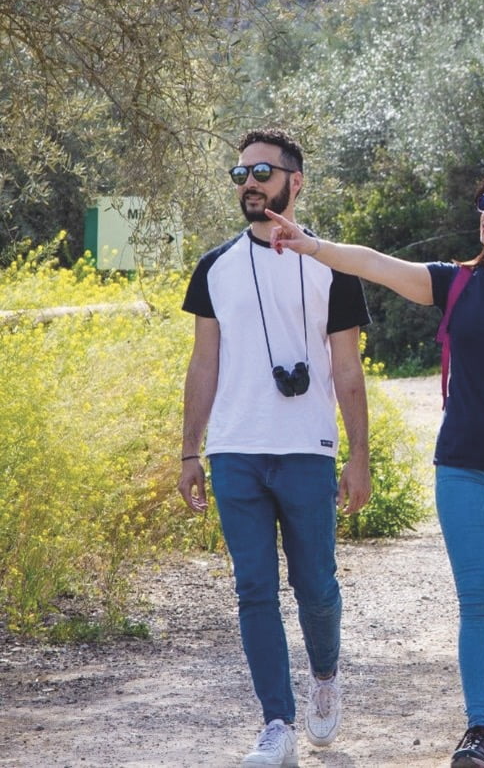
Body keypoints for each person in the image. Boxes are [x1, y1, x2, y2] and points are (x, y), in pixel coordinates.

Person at [266, 165, 484, 768]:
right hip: (464, 469)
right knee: (478, 597)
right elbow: (375, 263)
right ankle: (480, 727)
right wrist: (311, 244)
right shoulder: (454, 283)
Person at [178, 128, 372, 768]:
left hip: (307, 448)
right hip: (235, 449)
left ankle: (325, 674)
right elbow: (203, 363)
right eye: (240, 174)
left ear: (296, 181)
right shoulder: (215, 267)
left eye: (262, 172)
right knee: (253, 588)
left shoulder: (332, 265)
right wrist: (190, 452)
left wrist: (359, 456)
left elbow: (347, 368)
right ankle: (277, 724)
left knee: (315, 584)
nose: (250, 184)